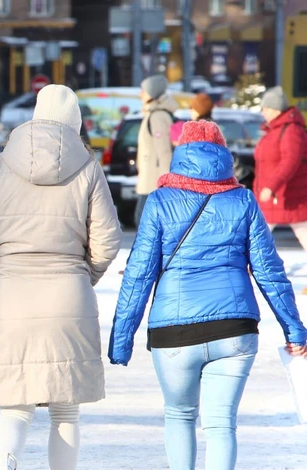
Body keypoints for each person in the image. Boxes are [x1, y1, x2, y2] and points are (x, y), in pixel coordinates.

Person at [109, 120, 307, 470]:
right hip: (235, 328)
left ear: (180, 154)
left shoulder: (160, 201)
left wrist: (121, 341)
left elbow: (138, 275)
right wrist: (294, 329)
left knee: (179, 416)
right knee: (220, 425)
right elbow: (269, 270)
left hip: (174, 331)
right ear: (224, 155)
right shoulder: (243, 200)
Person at [0, 84, 122, 470]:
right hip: (68, 294)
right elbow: (108, 240)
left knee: (14, 409)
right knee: (66, 411)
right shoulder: (88, 168)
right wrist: (84, 274)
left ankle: (5, 464)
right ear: (76, 123)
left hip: (9, 296)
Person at [253, 86, 307, 251]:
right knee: (260, 232)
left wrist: (271, 186)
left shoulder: (291, 131)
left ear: (275, 109)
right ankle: (248, 266)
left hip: (288, 194)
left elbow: (290, 161)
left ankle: (247, 266)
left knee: (260, 232)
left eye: (265, 108)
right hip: (277, 195)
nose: (263, 112)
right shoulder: (274, 131)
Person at [135, 75, 177, 226]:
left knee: (143, 221)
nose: (140, 94)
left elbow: (164, 152)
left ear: (151, 94)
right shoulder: (152, 114)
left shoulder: (157, 116)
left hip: (153, 182)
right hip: (150, 179)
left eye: (143, 91)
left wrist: (167, 183)